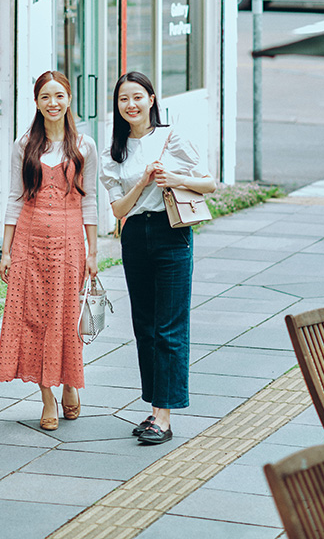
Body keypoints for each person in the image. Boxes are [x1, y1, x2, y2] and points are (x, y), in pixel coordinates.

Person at [99, 71, 214, 445]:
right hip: (135, 236)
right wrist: (141, 183)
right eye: (123, 100)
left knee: (169, 326)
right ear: (117, 107)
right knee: (144, 326)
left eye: (137, 97)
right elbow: (118, 210)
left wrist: (175, 179)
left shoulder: (170, 136)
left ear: (151, 99)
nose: (131, 105)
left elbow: (208, 183)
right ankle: (153, 409)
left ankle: (163, 416)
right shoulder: (113, 151)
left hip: (171, 233)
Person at [0, 72, 99, 430]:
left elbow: (91, 201)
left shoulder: (85, 146)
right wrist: (6, 251)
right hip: (30, 238)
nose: (52, 103)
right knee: (35, 319)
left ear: (69, 99)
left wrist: (93, 252)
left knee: (68, 318)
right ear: (37, 103)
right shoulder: (24, 144)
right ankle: (47, 396)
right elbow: (14, 197)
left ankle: (70, 381)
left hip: (70, 241)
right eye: (45, 97)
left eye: (58, 96)